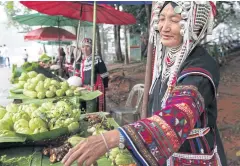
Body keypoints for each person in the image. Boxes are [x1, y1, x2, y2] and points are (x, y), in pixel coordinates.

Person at [62, 2, 227, 166]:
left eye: (175, 20)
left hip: (193, 158)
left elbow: (177, 117)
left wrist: (115, 137)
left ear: (195, 25)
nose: (164, 27)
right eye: (161, 19)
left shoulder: (200, 68)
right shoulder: (166, 61)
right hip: (166, 157)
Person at [80, 38, 109, 112]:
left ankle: (99, 122)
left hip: (97, 87)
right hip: (86, 88)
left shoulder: (97, 58)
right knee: (87, 107)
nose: (85, 49)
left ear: (91, 48)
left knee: (97, 108)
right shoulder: (83, 61)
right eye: (83, 47)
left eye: (87, 46)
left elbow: (104, 74)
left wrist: (105, 86)